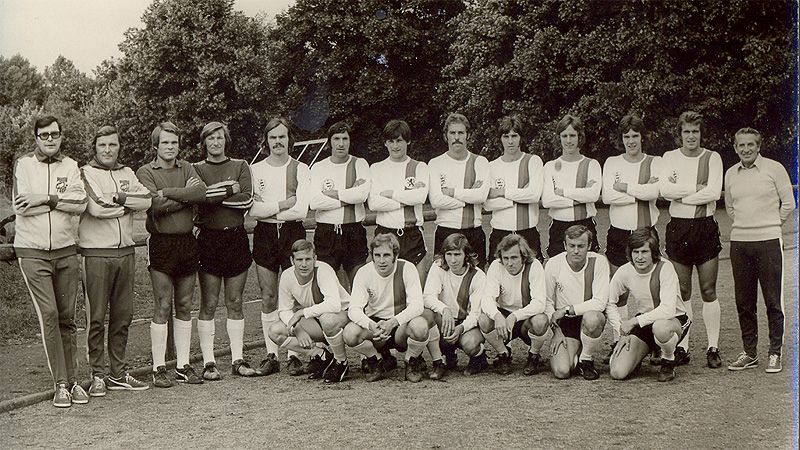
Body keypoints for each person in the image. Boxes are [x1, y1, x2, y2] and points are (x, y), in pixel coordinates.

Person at [13, 115, 88, 407]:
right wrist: (59, 201)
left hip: (66, 250)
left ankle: (74, 381)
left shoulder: (70, 165)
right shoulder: (24, 164)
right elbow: (21, 207)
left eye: (54, 134)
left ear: (61, 136)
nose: (49, 139)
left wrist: (44, 198)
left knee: (67, 317)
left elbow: (80, 203)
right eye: (44, 135)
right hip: (33, 252)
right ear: (36, 138)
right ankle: (60, 384)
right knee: (49, 314)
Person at [79, 125, 152, 396]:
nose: (108, 150)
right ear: (95, 148)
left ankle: (118, 374)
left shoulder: (127, 173)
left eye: (112, 144)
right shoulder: (86, 172)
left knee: (123, 316)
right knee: (96, 317)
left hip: (126, 252)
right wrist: (128, 205)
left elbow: (147, 200)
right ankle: (97, 374)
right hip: (96, 253)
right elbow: (96, 207)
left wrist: (119, 198)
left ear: (119, 146)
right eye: (102, 145)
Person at [136, 121, 207, 388]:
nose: (170, 147)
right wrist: (184, 198)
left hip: (187, 242)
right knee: (163, 305)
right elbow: (154, 204)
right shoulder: (146, 171)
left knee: (185, 305)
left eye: (174, 142)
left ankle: (183, 365)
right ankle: (158, 367)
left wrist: (169, 193)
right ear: (156, 146)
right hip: (161, 243)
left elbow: (200, 192)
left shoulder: (187, 167)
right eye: (165, 142)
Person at [724, 127, 795, 373]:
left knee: (773, 301)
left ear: (758, 146)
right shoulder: (731, 173)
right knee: (744, 301)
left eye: (750, 145)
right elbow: (730, 208)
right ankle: (750, 353)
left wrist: (771, 224)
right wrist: (746, 226)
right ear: (735, 148)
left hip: (769, 242)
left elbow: (789, 204)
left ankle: (775, 352)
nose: (746, 149)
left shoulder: (775, 169)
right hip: (740, 243)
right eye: (741, 145)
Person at [659, 111, 723, 368]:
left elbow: (714, 193)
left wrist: (681, 195)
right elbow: (665, 190)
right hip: (679, 228)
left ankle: (713, 347)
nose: (691, 136)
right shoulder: (669, 157)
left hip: (705, 227)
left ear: (701, 133)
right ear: (680, 134)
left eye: (695, 131)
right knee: (683, 290)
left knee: (708, 289)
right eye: (686, 131)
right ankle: (682, 347)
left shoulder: (712, 158)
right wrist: (696, 189)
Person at [193, 122, 256, 379]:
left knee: (235, 301)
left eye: (220, 137)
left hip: (236, 239)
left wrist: (213, 197)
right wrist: (230, 189)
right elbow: (200, 199)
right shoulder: (196, 168)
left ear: (225, 140)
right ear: (204, 143)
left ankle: (237, 359)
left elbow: (247, 199)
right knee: (208, 303)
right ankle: (209, 362)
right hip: (208, 240)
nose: (216, 142)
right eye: (211, 138)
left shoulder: (240, 165)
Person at [249, 117, 310, 376]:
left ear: (289, 139)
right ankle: (271, 355)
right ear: (266, 141)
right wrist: (283, 204)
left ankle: (294, 355)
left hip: (292, 234)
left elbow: (301, 210)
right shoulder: (255, 170)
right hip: (264, 234)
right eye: (273, 137)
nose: (277, 141)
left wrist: (269, 209)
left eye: (282, 136)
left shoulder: (301, 168)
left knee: (294, 295)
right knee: (269, 296)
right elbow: (253, 210)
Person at [606, 228, 691, 382]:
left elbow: (668, 310)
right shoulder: (625, 271)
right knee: (617, 372)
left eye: (644, 252)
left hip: (673, 320)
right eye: (635, 252)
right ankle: (644, 352)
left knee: (661, 328)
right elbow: (609, 301)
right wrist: (621, 331)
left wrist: (633, 322)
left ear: (653, 252)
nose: (639, 257)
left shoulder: (665, 267)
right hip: (645, 321)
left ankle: (668, 359)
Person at [343, 234, 430, 382]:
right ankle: (376, 360)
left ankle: (411, 361)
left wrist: (393, 322)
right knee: (350, 333)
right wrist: (371, 325)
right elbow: (354, 309)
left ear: (395, 255)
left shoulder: (407, 268)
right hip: (376, 328)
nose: (381, 261)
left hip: (399, 325)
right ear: (372, 256)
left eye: (386, 255)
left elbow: (417, 305)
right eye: (377, 255)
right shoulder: (364, 272)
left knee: (420, 326)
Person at [268, 240, 351, 383]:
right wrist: (298, 329)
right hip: (318, 319)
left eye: (308, 259)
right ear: (292, 260)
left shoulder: (323, 270)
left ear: (315, 258)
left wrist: (301, 313)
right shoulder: (287, 276)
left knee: (327, 319)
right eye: (299, 260)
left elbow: (334, 305)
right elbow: (284, 310)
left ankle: (341, 362)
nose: (304, 264)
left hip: (344, 317)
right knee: (275, 331)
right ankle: (321, 355)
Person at [309, 121, 371, 289]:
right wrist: (349, 197)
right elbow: (314, 201)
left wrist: (333, 193)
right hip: (326, 231)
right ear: (330, 142)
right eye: (336, 139)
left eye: (345, 138)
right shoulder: (318, 167)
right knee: (327, 286)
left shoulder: (360, 164)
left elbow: (362, 194)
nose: (341, 143)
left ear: (350, 141)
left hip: (354, 230)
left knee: (359, 284)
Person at [545, 225, 609, 380]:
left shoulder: (599, 262)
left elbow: (600, 302)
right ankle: (577, 353)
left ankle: (586, 359)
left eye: (581, 246)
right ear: (565, 245)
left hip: (588, 318)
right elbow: (547, 301)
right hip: (566, 322)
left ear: (589, 245)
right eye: (571, 246)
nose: (576, 251)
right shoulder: (553, 264)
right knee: (562, 371)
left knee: (592, 318)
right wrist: (556, 331)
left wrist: (567, 309)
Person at [479, 234, 549, 376]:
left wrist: (515, 316)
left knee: (540, 321)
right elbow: (487, 299)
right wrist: (497, 315)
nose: (509, 263)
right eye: (506, 258)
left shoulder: (534, 265)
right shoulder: (496, 266)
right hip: (504, 318)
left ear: (523, 256)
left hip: (526, 318)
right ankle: (503, 354)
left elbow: (539, 303)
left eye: (514, 258)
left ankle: (533, 356)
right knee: (484, 320)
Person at [368, 119, 429, 279]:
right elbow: (374, 203)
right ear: (385, 143)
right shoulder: (376, 168)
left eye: (399, 141)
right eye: (391, 141)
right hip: (385, 233)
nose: (395, 146)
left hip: (412, 234)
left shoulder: (419, 167)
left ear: (407, 141)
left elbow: (420, 197)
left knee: (417, 287)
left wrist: (392, 194)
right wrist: (407, 199)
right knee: (385, 287)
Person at [428, 113, 490, 268]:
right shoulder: (435, 163)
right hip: (446, 230)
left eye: (461, 133)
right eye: (452, 133)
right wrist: (468, 199)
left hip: (473, 232)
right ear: (446, 136)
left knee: (476, 278)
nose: (457, 137)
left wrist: (451, 192)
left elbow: (481, 196)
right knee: (444, 278)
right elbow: (436, 200)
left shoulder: (480, 162)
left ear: (467, 135)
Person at [601, 115, 662, 273]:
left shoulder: (655, 162)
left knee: (649, 284)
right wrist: (642, 190)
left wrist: (624, 187)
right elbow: (607, 196)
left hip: (646, 233)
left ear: (642, 137)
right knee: (618, 285)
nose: (631, 141)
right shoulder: (612, 162)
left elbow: (653, 192)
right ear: (621, 139)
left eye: (635, 136)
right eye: (626, 137)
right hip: (618, 233)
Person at [421, 233, 486, 379]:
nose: (452, 260)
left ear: (466, 255)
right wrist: (445, 309)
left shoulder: (478, 276)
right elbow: (427, 297)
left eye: (457, 254)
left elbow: (476, 313)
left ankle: (479, 358)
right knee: (426, 315)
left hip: (465, 324)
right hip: (445, 320)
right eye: (448, 254)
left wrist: (461, 328)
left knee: (471, 343)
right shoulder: (438, 267)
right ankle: (442, 359)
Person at [484, 115, 544, 262]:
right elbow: (487, 204)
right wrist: (520, 196)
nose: (510, 141)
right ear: (500, 139)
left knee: (531, 274)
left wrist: (501, 193)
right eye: (506, 136)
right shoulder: (491, 166)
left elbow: (534, 195)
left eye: (514, 136)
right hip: (500, 233)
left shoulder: (533, 161)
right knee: (498, 274)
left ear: (521, 138)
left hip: (527, 232)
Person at [542, 114, 602, 257]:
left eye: (572, 135)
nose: (568, 140)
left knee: (587, 267)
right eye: (564, 136)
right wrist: (578, 199)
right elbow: (547, 200)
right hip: (559, 226)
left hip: (585, 224)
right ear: (559, 138)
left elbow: (593, 195)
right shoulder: (550, 166)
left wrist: (562, 192)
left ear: (579, 137)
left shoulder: (591, 165)